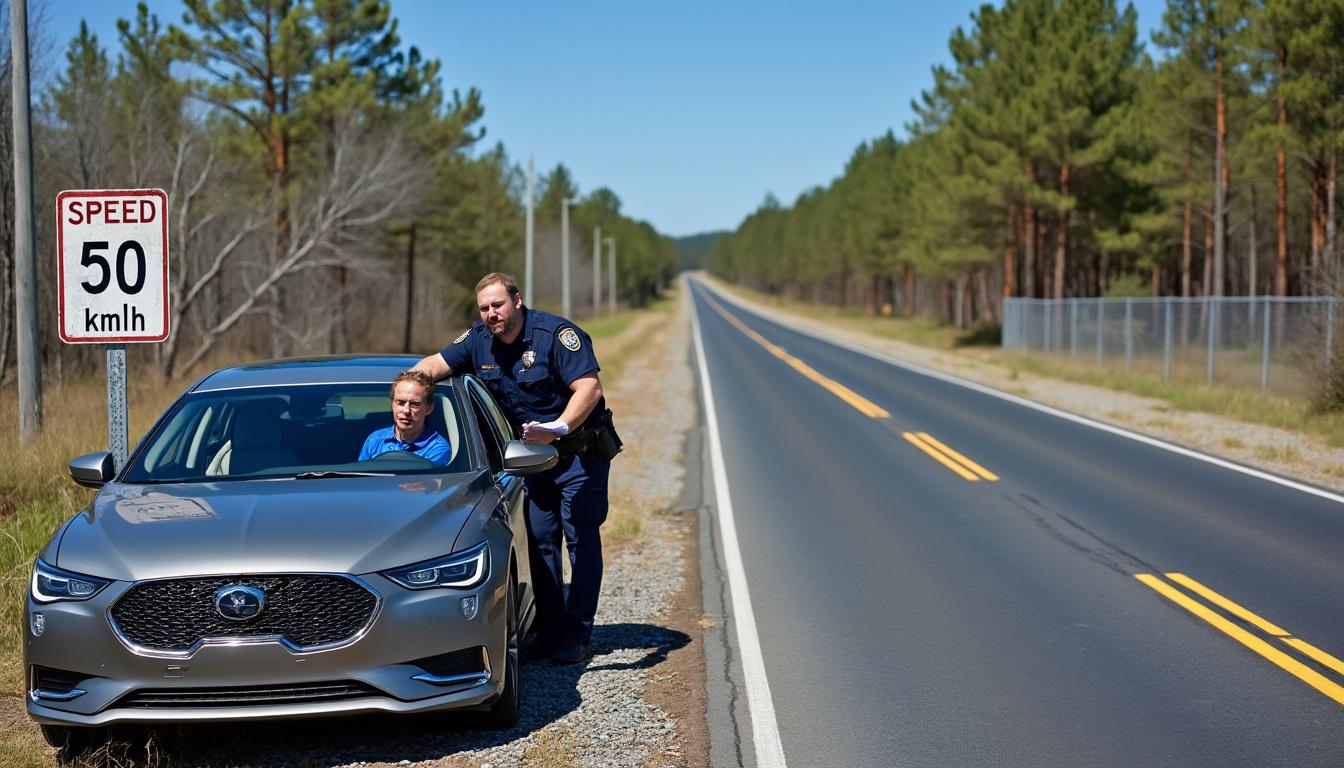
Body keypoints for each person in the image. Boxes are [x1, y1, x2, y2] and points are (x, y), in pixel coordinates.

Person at [413, 272, 618, 665]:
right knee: (540, 541)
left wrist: (558, 428)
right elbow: (435, 365)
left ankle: (578, 635)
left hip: (579, 453)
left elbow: (589, 388)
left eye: (498, 305)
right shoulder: (478, 340)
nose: (492, 314)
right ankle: (550, 631)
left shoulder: (554, 335)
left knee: (580, 539)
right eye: (484, 308)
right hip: (534, 459)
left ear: (517, 300)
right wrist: (405, 389)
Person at [358, 370, 452, 466]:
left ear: (429, 408)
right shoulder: (375, 440)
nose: (406, 410)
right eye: (400, 402)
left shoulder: (437, 448)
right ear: (392, 404)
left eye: (414, 404)